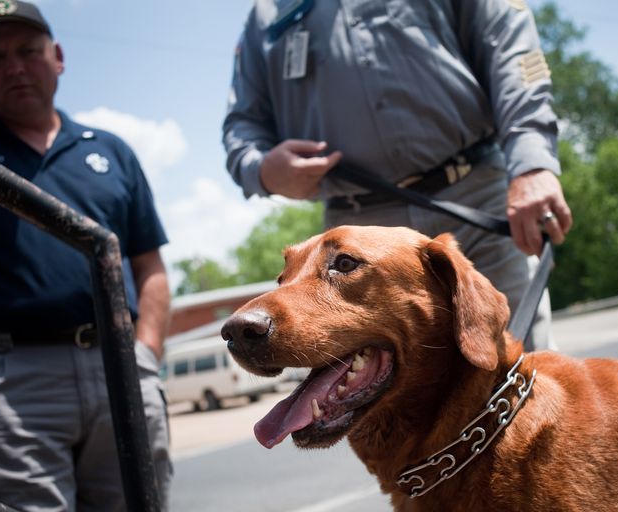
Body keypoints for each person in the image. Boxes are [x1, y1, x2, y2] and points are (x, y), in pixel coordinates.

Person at [0, 2, 172, 512]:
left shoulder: (108, 149)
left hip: (120, 371)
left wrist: (144, 354)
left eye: (28, 50)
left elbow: (151, 267)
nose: (15, 66)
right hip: (8, 381)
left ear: (59, 58)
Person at [223, 0, 573, 350]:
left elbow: (512, 51)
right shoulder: (266, 13)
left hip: (475, 199)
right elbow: (242, 125)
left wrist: (532, 163)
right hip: (354, 237)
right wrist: (263, 170)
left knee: (520, 367)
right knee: (368, 392)